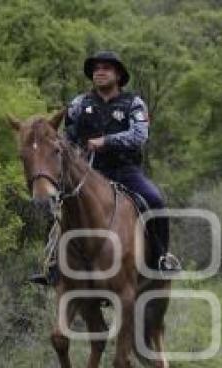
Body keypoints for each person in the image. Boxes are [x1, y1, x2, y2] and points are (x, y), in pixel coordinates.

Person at [29, 50, 179, 285]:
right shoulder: (79, 104)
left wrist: (106, 141)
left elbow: (140, 135)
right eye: (96, 68)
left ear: (118, 75)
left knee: (155, 199)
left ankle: (160, 258)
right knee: (58, 203)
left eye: (106, 68)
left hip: (126, 171)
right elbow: (68, 137)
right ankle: (52, 264)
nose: (100, 72)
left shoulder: (134, 103)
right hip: (89, 173)